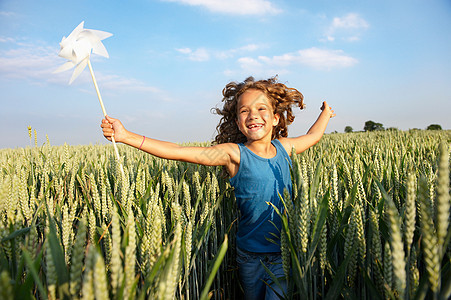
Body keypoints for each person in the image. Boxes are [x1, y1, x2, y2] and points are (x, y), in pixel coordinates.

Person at [101, 76, 335, 300]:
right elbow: (179, 151)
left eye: (261, 109)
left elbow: (313, 136)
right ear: (237, 122)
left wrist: (325, 114)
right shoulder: (234, 154)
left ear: (275, 118)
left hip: (284, 251)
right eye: (244, 111)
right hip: (250, 255)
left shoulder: (285, 148)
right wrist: (126, 136)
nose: (253, 115)